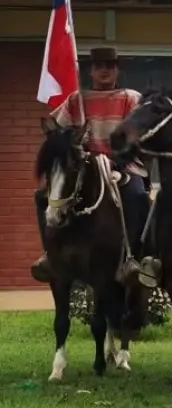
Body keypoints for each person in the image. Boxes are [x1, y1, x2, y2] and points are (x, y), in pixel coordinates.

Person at [32, 47, 154, 287]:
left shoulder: (131, 98)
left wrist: (120, 156)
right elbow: (58, 131)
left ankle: (133, 258)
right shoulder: (77, 99)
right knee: (42, 196)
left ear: (117, 70)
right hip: (83, 166)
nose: (105, 71)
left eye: (110, 66)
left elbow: (140, 135)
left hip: (122, 165)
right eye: (99, 66)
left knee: (138, 196)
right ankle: (50, 254)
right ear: (91, 71)